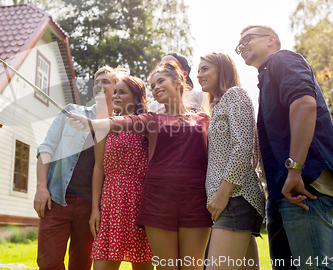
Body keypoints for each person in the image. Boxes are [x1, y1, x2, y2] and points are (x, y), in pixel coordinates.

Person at [67, 62, 212, 270]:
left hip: (195, 202)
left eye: (161, 81)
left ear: (179, 81)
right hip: (157, 204)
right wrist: (92, 123)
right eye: (153, 85)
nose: (156, 88)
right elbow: (121, 122)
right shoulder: (152, 120)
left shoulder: (204, 119)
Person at [236, 25, 333, 269]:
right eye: (239, 46)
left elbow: (304, 104)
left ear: (271, 40)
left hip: (304, 183)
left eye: (247, 39)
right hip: (282, 189)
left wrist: (295, 169)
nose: (242, 46)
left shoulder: (283, 59)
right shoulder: (266, 78)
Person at [34, 65, 123, 270]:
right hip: (56, 199)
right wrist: (41, 187)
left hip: (92, 207)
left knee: (81, 265)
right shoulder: (72, 112)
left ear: (117, 87)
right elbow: (46, 148)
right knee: (48, 263)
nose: (99, 85)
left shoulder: (120, 125)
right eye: (96, 81)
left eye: (105, 81)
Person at [197, 52, 265, 270]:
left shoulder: (235, 95)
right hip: (232, 201)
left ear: (222, 69)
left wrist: (222, 194)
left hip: (235, 198)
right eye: (198, 70)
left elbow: (243, 147)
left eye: (205, 69)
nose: (199, 75)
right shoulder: (219, 105)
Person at [90, 75, 153, 270]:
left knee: (142, 264)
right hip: (111, 200)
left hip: (140, 201)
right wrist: (95, 208)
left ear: (136, 99)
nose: (116, 95)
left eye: (122, 92)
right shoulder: (104, 125)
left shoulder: (149, 127)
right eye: (115, 91)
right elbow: (98, 168)